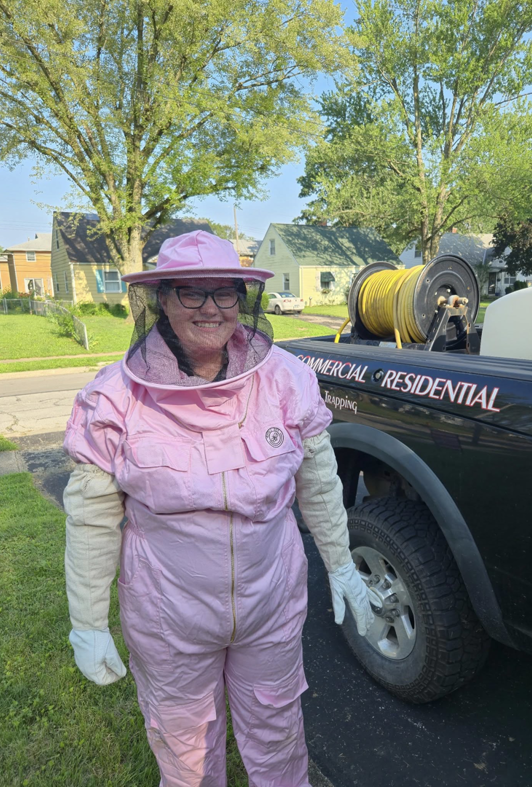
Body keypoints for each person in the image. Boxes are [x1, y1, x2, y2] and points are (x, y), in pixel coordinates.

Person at [63, 231, 374, 787]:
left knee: (278, 732)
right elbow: (91, 519)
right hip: (167, 617)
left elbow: (320, 483)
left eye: (224, 293)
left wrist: (343, 564)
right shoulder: (113, 398)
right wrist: (87, 623)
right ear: (161, 298)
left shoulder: (287, 378)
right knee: (185, 752)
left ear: (242, 297)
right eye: (190, 293)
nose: (210, 309)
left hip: (270, 605)